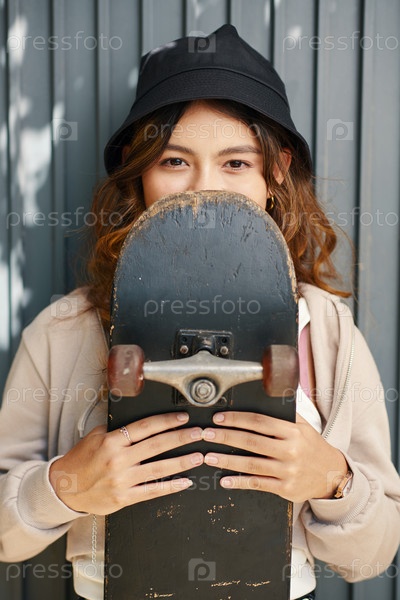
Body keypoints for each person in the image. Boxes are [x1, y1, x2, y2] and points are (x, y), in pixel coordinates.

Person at [0, 24, 399, 600]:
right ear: (139, 171)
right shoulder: (64, 331)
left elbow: (374, 555)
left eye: (235, 163)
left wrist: (334, 482)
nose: (202, 190)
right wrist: (63, 487)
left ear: (276, 171)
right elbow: (6, 536)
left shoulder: (328, 333)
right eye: (173, 161)